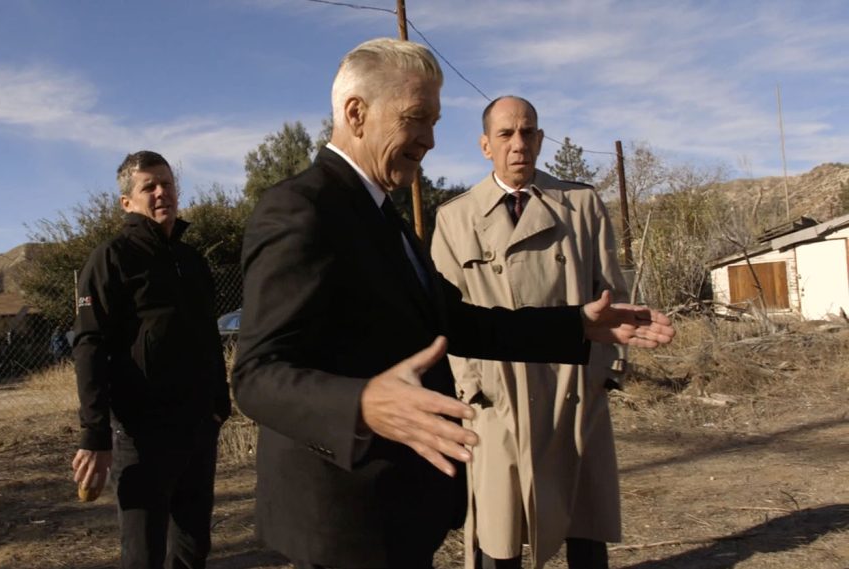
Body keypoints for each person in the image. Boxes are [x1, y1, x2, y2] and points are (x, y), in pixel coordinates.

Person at [232, 38, 674, 569]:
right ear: (356, 113)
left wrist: (577, 324)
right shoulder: (302, 208)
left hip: (399, 511)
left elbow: (457, 324)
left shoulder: (381, 215)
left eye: (435, 122)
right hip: (344, 522)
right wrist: (362, 404)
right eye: (417, 118)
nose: (430, 140)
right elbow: (256, 375)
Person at [431, 96, 626, 569]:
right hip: (499, 398)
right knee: (500, 530)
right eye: (505, 134)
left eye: (528, 132)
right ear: (485, 145)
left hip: (572, 389)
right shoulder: (455, 218)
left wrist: (605, 371)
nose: (518, 143)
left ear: (540, 139)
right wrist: (471, 385)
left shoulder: (581, 205)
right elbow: (441, 317)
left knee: (585, 523)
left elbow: (611, 294)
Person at [70, 150, 232, 569]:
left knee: (193, 549)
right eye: (149, 186)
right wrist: (95, 433)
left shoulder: (191, 261)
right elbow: (89, 346)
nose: (162, 193)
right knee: (143, 554)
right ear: (127, 202)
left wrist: (219, 404)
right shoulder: (110, 259)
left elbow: (208, 336)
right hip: (142, 436)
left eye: (168, 183)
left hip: (197, 430)